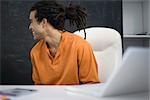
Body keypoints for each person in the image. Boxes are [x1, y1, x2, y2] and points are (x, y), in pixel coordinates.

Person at [29, 0, 99, 85]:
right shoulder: (35, 52)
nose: (30, 27)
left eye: (32, 22)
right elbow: (39, 88)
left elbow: (91, 86)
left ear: (44, 22)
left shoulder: (80, 46)